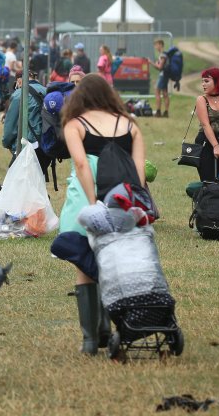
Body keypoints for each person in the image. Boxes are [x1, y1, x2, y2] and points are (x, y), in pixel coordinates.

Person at [56, 74, 146, 354]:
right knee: (111, 263)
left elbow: (82, 165)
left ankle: (90, 340)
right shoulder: (130, 125)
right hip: (122, 198)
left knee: (85, 264)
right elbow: (140, 173)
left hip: (86, 197)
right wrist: (135, 204)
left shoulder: (75, 124)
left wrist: (94, 201)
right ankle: (107, 328)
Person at [2, 70, 50, 176]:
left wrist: (6, 143)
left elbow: (10, 126)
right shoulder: (47, 91)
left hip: (26, 146)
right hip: (46, 146)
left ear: (19, 81)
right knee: (37, 183)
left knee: (14, 184)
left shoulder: (19, 94)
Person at [153, 39, 170, 117]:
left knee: (157, 92)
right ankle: (166, 112)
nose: (155, 47)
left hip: (163, 76)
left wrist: (151, 63)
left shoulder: (163, 55)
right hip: (165, 75)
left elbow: (160, 67)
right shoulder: (162, 55)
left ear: (160, 45)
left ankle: (158, 111)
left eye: (156, 45)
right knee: (165, 93)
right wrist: (156, 64)